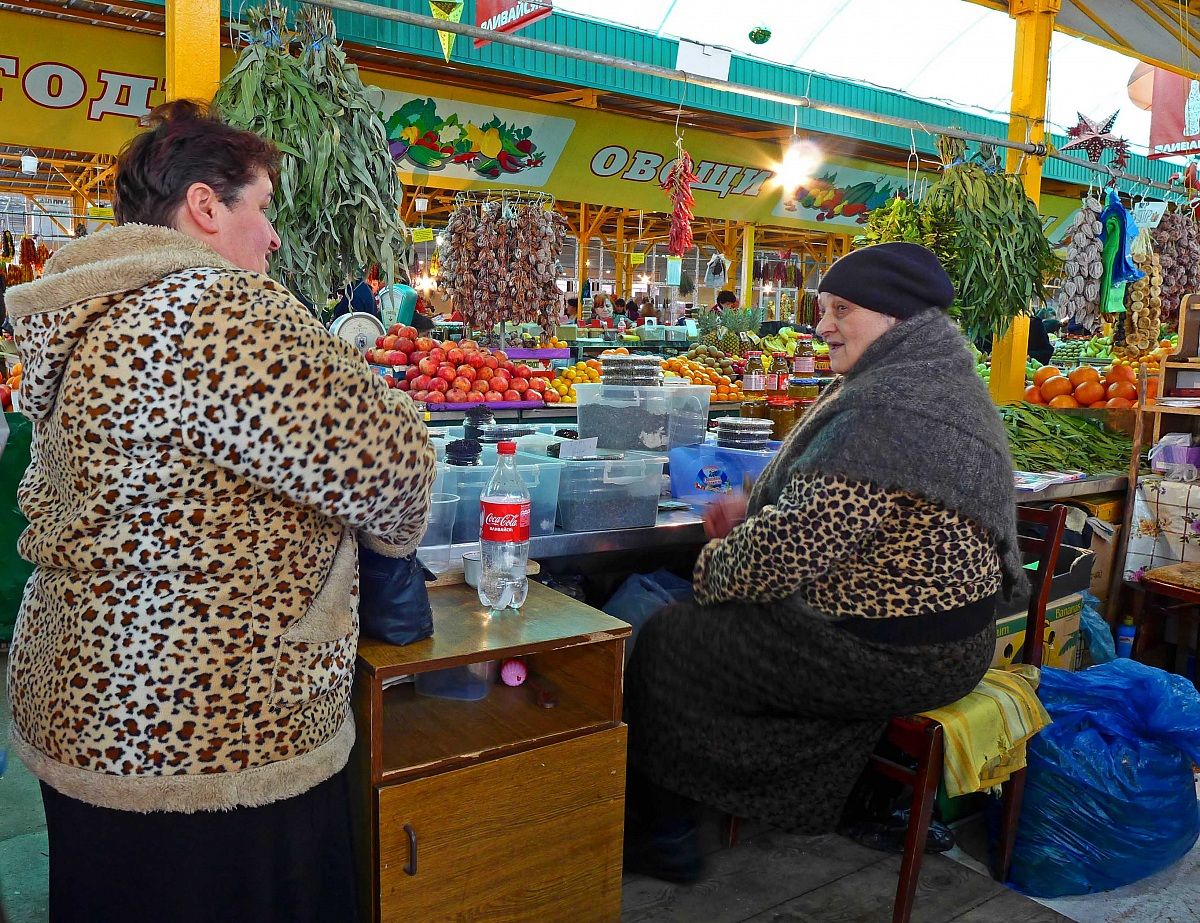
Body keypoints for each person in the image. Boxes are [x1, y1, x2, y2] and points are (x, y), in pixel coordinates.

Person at [4, 100, 437, 922]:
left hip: (81, 703)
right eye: (262, 207)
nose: (272, 237)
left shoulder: (90, 312)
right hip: (211, 734)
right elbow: (393, 464)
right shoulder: (217, 308)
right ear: (205, 205)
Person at [623, 242, 1021, 883]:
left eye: (842, 310)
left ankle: (663, 833)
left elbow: (787, 551)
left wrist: (714, 564)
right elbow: (846, 512)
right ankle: (854, 795)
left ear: (895, 317)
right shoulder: (943, 386)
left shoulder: (889, 410)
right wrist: (758, 508)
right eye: (823, 308)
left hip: (901, 652)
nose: (823, 326)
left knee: (673, 638)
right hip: (955, 639)